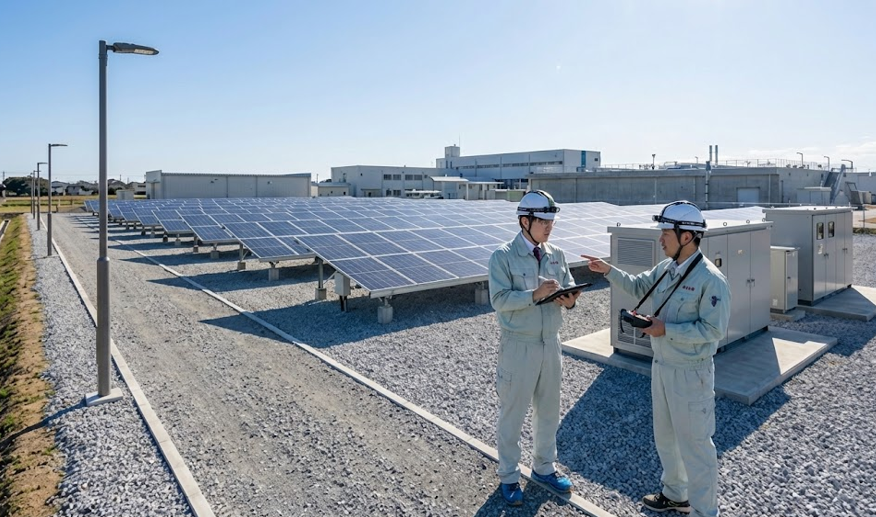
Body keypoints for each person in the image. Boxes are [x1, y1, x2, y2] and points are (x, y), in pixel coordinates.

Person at [582, 200, 730, 517]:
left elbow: (714, 330)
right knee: (666, 437)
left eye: (666, 233)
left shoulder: (711, 279)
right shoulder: (666, 269)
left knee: (696, 446)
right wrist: (608, 270)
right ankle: (676, 495)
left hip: (691, 372)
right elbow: (639, 286)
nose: (660, 239)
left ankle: (706, 512)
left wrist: (667, 330)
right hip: (662, 366)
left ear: (686, 236)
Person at [488, 190, 580, 506]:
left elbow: (568, 286)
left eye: (551, 221)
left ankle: (544, 467)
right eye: (542, 221)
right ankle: (509, 476)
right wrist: (534, 295)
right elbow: (499, 300)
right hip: (519, 346)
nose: (549, 227)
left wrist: (570, 300)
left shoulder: (556, 254)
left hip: (551, 344)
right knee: (513, 413)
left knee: (549, 411)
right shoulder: (502, 256)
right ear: (524, 221)